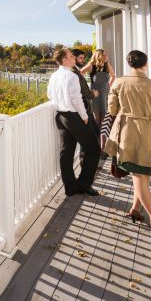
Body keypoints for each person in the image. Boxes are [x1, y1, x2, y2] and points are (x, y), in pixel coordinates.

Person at [104, 50, 151, 238]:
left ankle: (136, 208)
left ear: (129, 64)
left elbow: (111, 110)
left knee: (139, 175)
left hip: (127, 132)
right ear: (146, 64)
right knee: (141, 175)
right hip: (149, 133)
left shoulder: (118, 82)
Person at [47, 47, 100, 196]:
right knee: (94, 150)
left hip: (61, 117)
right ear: (64, 60)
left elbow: (49, 94)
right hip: (75, 117)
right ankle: (83, 184)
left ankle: (70, 188)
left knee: (67, 153)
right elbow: (76, 100)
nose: (73, 58)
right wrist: (84, 116)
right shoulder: (72, 76)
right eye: (71, 56)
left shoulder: (54, 75)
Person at [80, 48, 115, 145]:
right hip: (95, 96)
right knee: (96, 122)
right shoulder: (91, 66)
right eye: (104, 55)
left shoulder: (107, 65)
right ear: (99, 56)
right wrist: (87, 88)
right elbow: (79, 74)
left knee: (104, 123)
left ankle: (103, 147)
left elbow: (113, 76)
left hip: (105, 95)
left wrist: (108, 86)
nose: (106, 56)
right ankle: (96, 146)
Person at [71, 49, 101, 143]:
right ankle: (86, 154)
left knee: (94, 133)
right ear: (74, 57)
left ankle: (86, 153)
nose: (82, 60)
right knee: (92, 135)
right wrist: (93, 94)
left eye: (83, 58)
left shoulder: (76, 70)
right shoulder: (74, 71)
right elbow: (82, 90)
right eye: (81, 58)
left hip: (86, 107)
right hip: (83, 107)